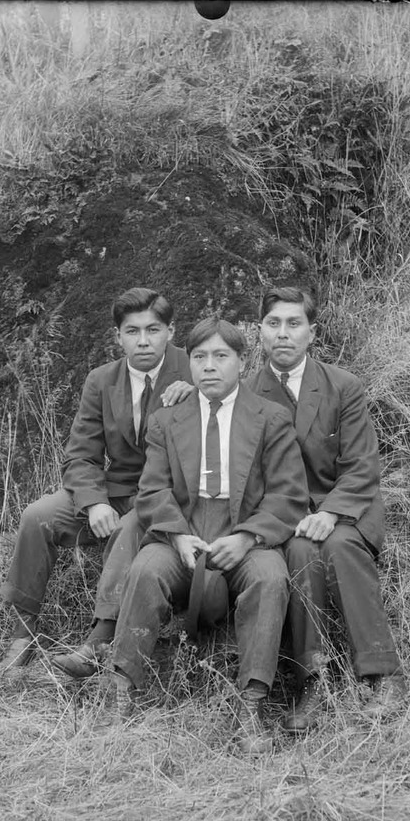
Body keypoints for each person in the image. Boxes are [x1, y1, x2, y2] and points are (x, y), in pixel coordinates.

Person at [107, 318, 309, 754]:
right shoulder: (166, 420)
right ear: (189, 363)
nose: (209, 367)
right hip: (183, 529)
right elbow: (153, 488)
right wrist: (177, 536)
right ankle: (121, 691)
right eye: (199, 357)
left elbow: (289, 492)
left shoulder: (270, 418)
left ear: (242, 361)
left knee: (270, 579)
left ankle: (250, 705)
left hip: (246, 531)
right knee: (146, 569)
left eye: (221, 356)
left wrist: (249, 538)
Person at [0, 287, 194, 671]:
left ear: (171, 331)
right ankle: (23, 632)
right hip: (114, 491)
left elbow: (229, 407)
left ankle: (97, 643)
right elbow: (81, 454)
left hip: (167, 497)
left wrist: (199, 392)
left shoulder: (194, 368)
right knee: (38, 516)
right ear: (117, 336)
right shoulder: (102, 380)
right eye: (132, 331)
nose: (143, 341)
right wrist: (94, 501)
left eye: (153, 330)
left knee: (129, 528)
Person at [247, 286, 405, 731]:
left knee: (337, 546)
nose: (283, 334)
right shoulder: (247, 396)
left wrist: (331, 512)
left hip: (347, 508)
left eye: (293, 324)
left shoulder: (342, 386)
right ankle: (311, 681)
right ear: (260, 331)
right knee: (298, 553)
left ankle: (382, 675)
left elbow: (361, 465)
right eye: (273, 323)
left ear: (311, 332)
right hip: (288, 515)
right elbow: (253, 478)